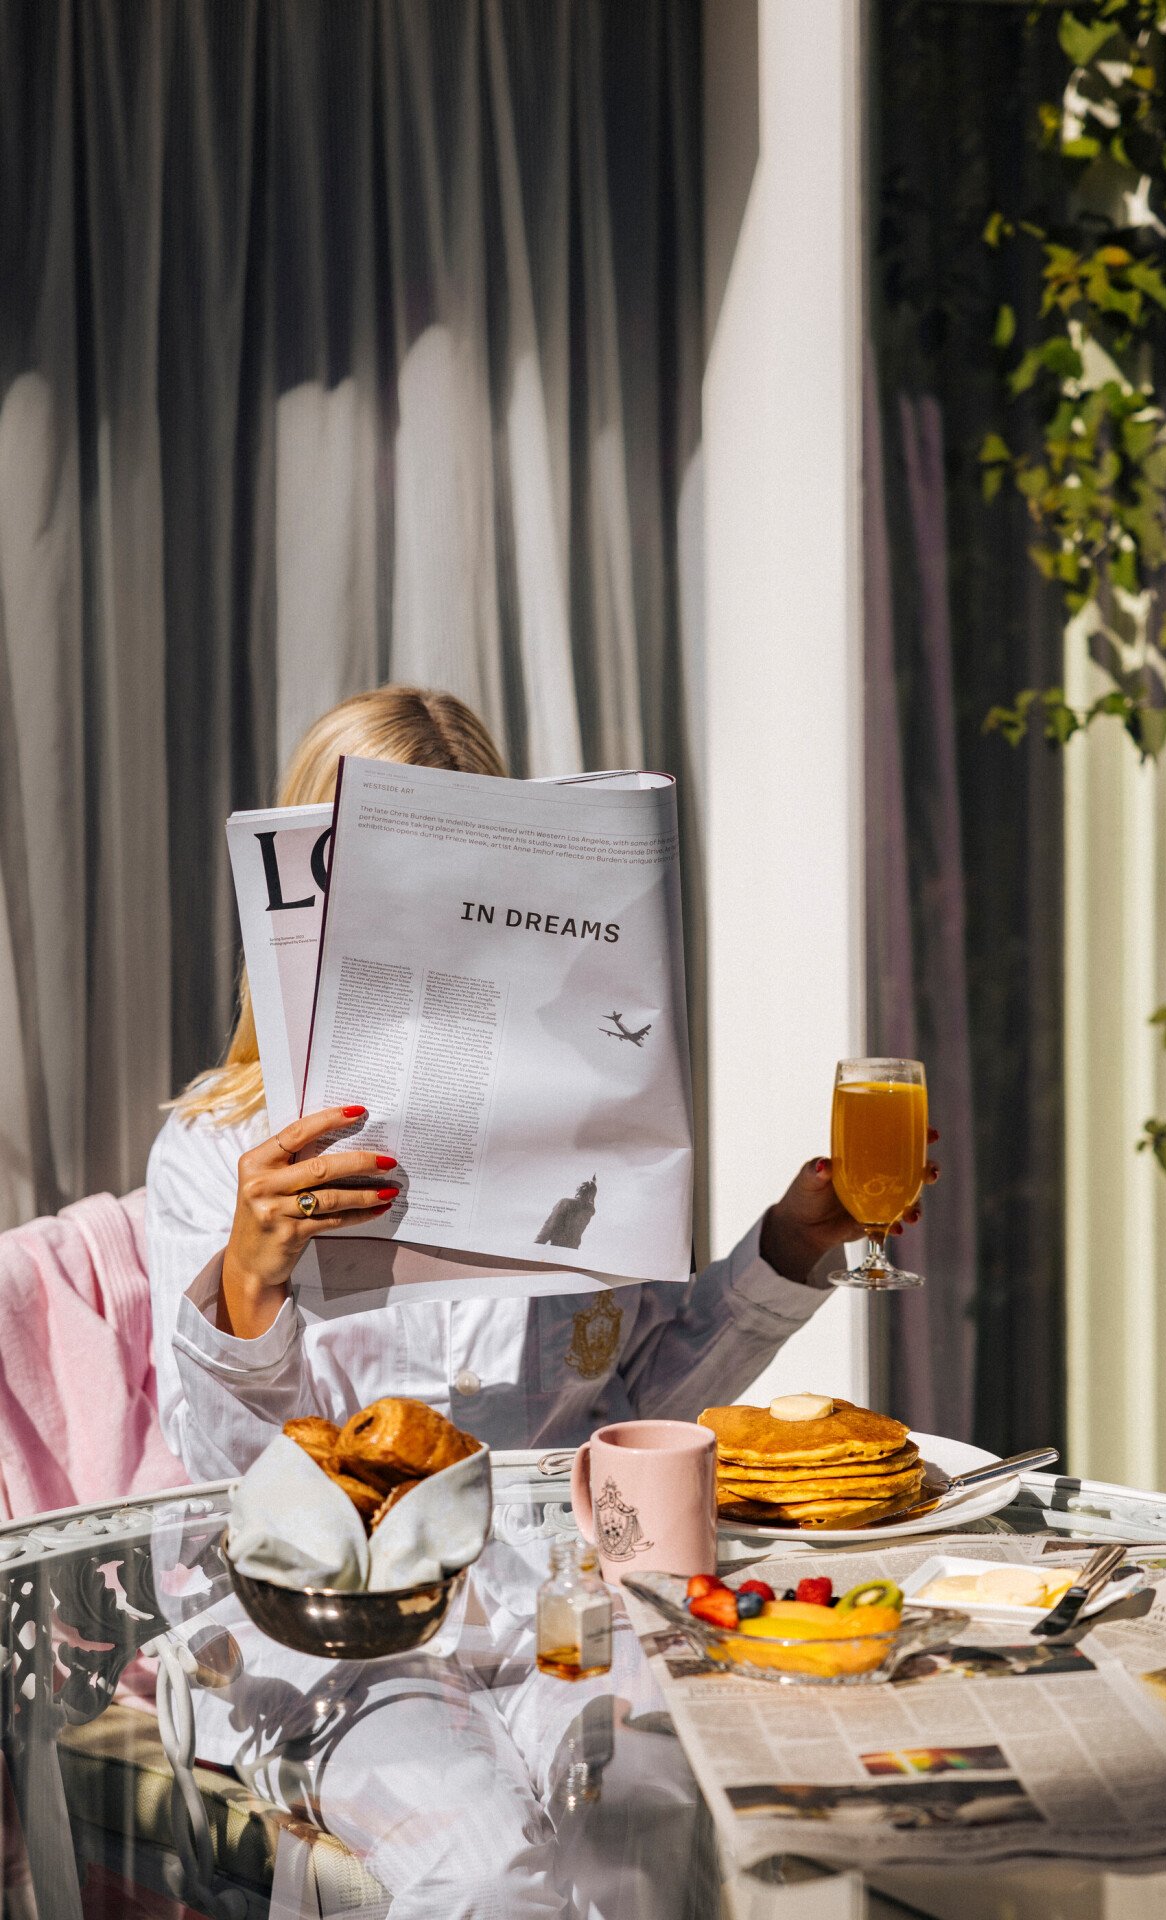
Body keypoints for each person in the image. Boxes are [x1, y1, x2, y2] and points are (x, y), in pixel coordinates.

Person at [147, 684, 937, 1919]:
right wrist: (251, 1276)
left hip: (560, 1603)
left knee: (663, 1826)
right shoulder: (219, 1156)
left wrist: (789, 1247)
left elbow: (628, 1413)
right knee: (490, 1871)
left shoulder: (587, 1118)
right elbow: (235, 1478)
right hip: (336, 1632)